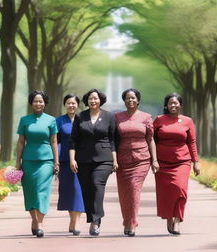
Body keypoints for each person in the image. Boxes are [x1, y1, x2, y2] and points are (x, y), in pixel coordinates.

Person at [69, 88, 118, 236]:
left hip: (104, 159)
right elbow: (73, 140)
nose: (93, 101)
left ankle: (95, 222)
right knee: (86, 190)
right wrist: (72, 159)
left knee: (97, 185)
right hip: (83, 159)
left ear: (100, 100)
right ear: (86, 101)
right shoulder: (80, 117)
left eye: (96, 98)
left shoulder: (109, 116)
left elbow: (113, 140)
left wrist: (115, 160)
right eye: (90, 99)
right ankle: (93, 217)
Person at [153, 92, 200, 235]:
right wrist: (153, 160)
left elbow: (191, 142)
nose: (173, 105)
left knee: (180, 190)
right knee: (166, 193)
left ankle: (178, 220)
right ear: (166, 106)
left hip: (182, 161)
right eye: (170, 103)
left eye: (176, 103)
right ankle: (168, 218)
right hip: (162, 163)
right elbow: (152, 141)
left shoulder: (188, 121)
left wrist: (196, 162)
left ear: (180, 105)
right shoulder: (159, 120)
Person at [115, 88, 159, 237]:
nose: (130, 100)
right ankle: (126, 221)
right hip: (122, 160)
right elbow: (113, 139)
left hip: (141, 159)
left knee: (134, 189)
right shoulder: (117, 117)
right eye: (127, 98)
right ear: (124, 101)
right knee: (124, 192)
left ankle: (133, 223)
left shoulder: (146, 117)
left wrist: (155, 160)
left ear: (138, 100)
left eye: (133, 98)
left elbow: (150, 139)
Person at [15, 90, 59, 238]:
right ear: (31, 103)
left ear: (44, 103)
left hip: (46, 161)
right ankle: (34, 219)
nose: (38, 103)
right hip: (28, 160)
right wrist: (18, 162)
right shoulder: (24, 120)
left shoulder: (51, 120)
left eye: (40, 101)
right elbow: (21, 142)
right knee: (30, 192)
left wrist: (56, 161)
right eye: (35, 101)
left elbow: (54, 142)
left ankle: (40, 223)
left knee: (41, 191)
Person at [56, 94, 85, 236]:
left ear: (78, 105)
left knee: (78, 190)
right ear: (65, 105)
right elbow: (56, 142)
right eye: (68, 103)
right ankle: (72, 220)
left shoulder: (83, 120)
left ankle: (76, 222)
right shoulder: (59, 121)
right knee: (68, 191)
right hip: (65, 161)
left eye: (74, 103)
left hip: (82, 161)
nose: (71, 105)